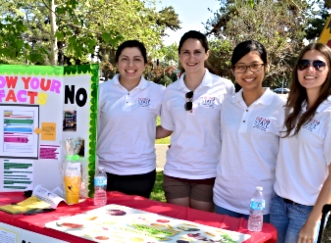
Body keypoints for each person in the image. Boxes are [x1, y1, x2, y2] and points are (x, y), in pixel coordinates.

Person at [270, 43, 331, 243]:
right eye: (303, 64)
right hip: (278, 202)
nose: (309, 69)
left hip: (307, 210)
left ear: (330, 70)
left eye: (318, 64)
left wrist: (314, 221)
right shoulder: (292, 108)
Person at [156, 30, 235, 212]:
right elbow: (167, 128)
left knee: (201, 231)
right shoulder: (171, 91)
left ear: (206, 54)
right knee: (178, 228)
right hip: (175, 171)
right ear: (179, 55)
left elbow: (230, 128)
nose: (191, 58)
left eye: (197, 52)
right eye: (186, 52)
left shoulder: (224, 87)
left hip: (209, 172)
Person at [213, 40, 286, 223]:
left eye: (255, 66)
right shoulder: (227, 104)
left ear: (266, 66)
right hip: (224, 200)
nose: (248, 73)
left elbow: (293, 155)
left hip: (262, 204)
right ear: (233, 70)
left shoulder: (281, 108)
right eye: (241, 67)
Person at [97, 40, 165, 198]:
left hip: (142, 172)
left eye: (137, 59)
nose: (130, 64)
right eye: (125, 59)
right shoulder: (101, 90)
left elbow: (170, 125)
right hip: (104, 172)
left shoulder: (158, 92)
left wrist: (143, 132)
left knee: (135, 220)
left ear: (145, 64)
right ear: (117, 63)